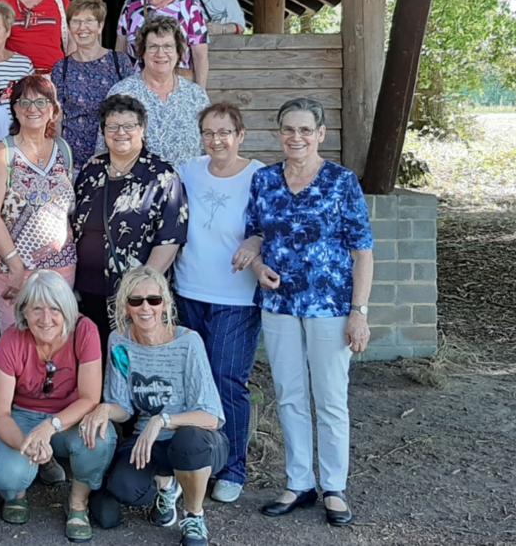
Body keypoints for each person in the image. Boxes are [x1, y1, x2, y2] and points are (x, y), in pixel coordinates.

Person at [234, 96, 374, 528]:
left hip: (329, 306)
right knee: (289, 394)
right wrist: (256, 266)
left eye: (305, 130)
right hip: (279, 304)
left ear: (320, 134)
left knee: (330, 399)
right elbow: (254, 234)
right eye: (288, 130)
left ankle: (334, 487)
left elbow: (363, 251)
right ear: (279, 134)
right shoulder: (265, 180)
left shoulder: (341, 181)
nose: (296, 137)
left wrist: (359, 311)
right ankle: (299, 482)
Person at [80, 266, 228, 546]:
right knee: (123, 487)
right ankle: (166, 486)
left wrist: (162, 420)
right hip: (147, 441)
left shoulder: (188, 342)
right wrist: (104, 409)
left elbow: (211, 416)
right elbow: (122, 407)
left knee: (189, 442)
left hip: (196, 440)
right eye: (136, 301)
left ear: (166, 304)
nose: (145, 308)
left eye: (153, 300)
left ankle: (194, 517)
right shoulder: (119, 342)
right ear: (126, 306)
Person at [174, 103, 266, 504]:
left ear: (240, 135)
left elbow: (270, 225)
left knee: (227, 378)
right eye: (209, 133)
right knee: (191, 379)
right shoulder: (189, 170)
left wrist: (255, 242)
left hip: (236, 296)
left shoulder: (259, 176)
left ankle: (232, 468)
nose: (216, 140)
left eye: (224, 132)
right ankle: (197, 461)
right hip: (189, 288)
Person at [0, 271, 114, 541]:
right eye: (37, 309)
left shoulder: (84, 330)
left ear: (67, 310)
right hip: (22, 415)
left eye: (55, 309)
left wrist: (49, 426)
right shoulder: (10, 341)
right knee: (7, 475)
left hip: (69, 416)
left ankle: (78, 502)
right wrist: (27, 443)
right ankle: (17, 493)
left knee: (100, 438)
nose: (46, 319)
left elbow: (90, 398)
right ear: (24, 312)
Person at [70, 95, 187, 346]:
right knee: (92, 357)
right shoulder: (92, 171)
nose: (120, 132)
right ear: (103, 131)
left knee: (131, 357)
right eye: (112, 126)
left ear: (142, 129)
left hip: (136, 298)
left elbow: (170, 238)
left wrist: (140, 287)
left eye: (129, 126)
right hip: (86, 290)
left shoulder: (162, 176)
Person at [0, 76, 77, 332]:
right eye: (24, 102)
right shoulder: (4, 151)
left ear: (53, 109)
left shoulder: (63, 149)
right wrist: (15, 264)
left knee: (57, 340)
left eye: (41, 102)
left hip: (61, 267)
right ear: (14, 108)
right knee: (16, 343)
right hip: (14, 269)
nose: (32, 108)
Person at [106, 15, 210, 166]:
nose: (160, 53)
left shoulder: (196, 96)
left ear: (178, 52)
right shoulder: (122, 93)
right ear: (142, 52)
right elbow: (105, 150)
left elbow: (209, 150)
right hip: (137, 181)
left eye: (168, 46)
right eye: (153, 46)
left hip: (189, 181)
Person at [50, 0, 136, 172]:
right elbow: (57, 117)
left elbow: (133, 110)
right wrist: (58, 159)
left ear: (100, 26)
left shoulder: (119, 62)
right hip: (74, 161)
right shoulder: (61, 68)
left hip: (115, 157)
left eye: (89, 21)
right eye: (76, 21)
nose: (82, 27)